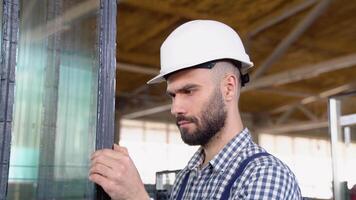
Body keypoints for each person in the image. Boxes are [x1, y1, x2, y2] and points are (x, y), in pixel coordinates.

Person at [89, 20, 302, 199]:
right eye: (173, 95)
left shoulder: (265, 176)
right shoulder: (186, 179)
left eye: (189, 91)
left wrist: (136, 196)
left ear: (228, 88)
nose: (175, 108)